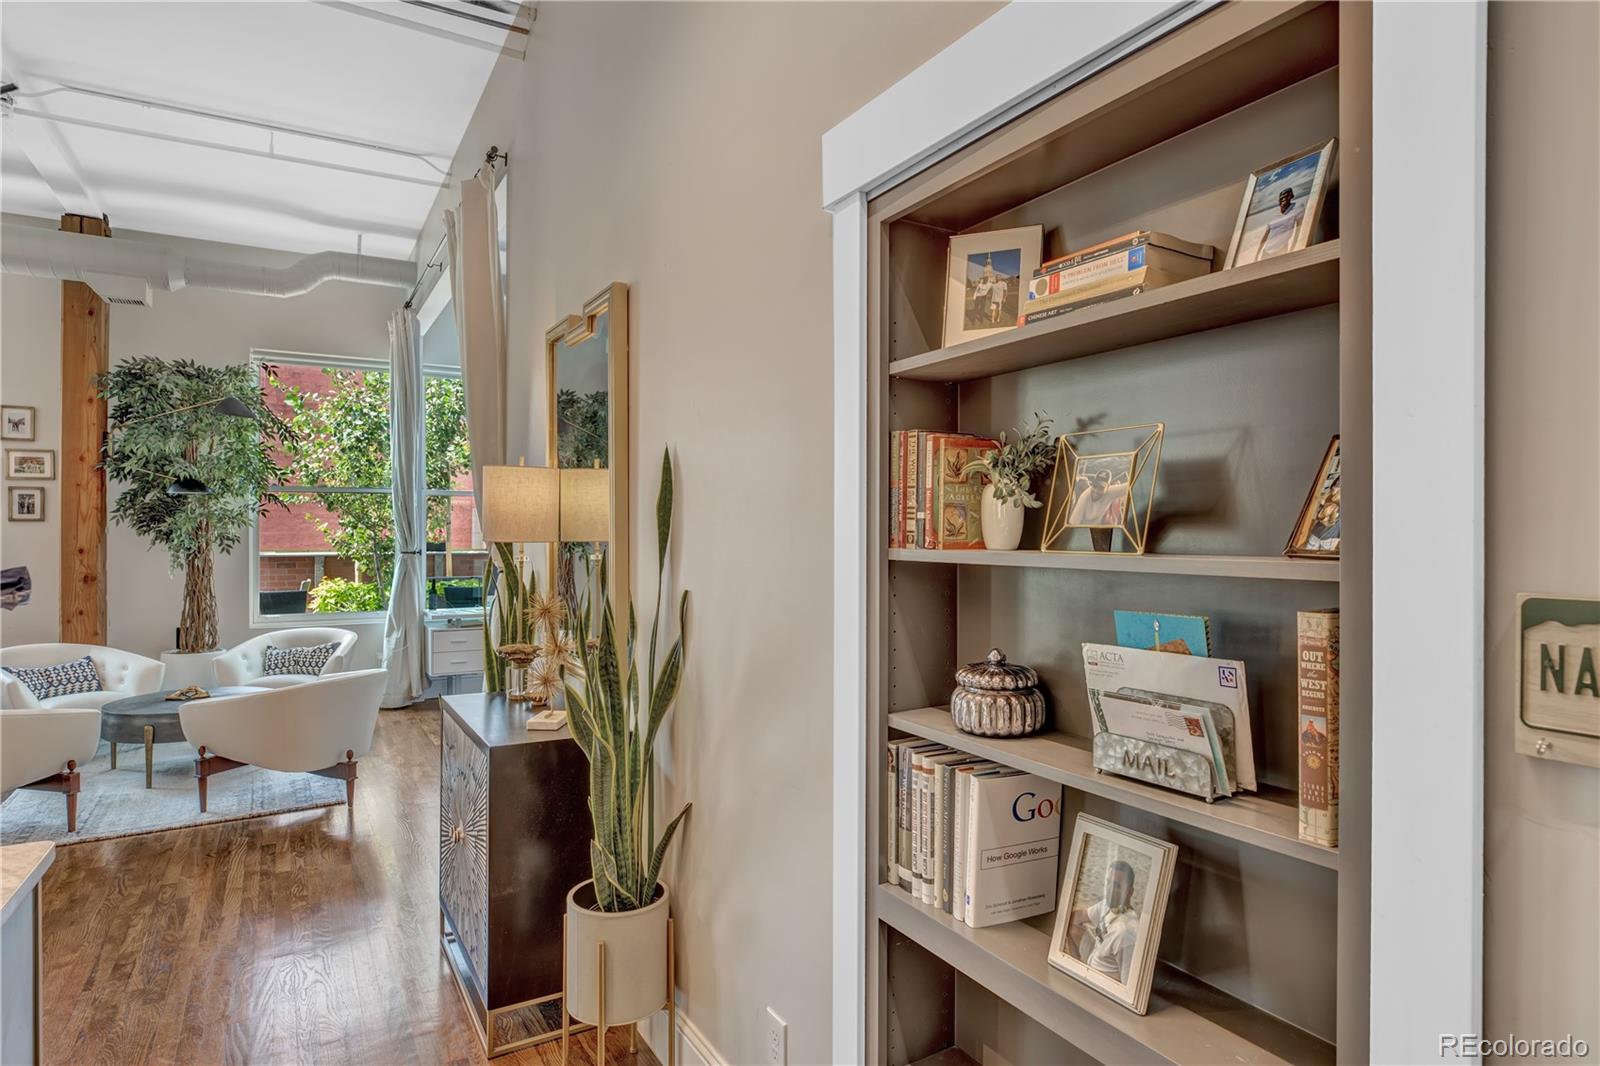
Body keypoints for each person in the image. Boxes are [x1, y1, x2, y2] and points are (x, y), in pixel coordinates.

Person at [1066, 859, 1142, 984]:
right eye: (1108, 882)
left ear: (1129, 892)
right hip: (1094, 956)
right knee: (1071, 924)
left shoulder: (1126, 933)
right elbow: (1077, 916)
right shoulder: (1107, 905)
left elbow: (1127, 985)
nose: (1110, 890)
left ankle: (1078, 979)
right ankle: (1074, 967)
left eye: (1117, 886)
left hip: (1097, 980)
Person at [1249, 185, 1307, 263]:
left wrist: (1293, 249)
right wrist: (1257, 255)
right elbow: (1265, 235)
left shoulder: (1297, 208)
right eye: (1281, 198)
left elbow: (1298, 230)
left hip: (1281, 250)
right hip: (1266, 252)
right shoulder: (1273, 214)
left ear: (1290, 197)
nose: (1283, 200)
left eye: (1286, 197)